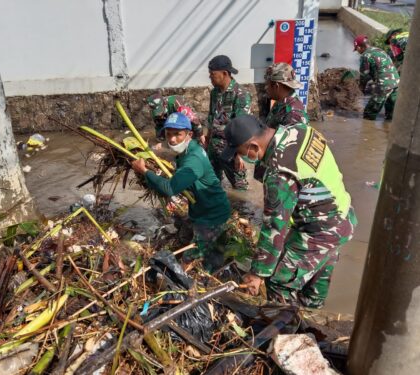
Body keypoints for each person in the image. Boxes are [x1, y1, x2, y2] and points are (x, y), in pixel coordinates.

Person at [221, 115, 357, 308]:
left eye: (240, 152)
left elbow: (274, 226)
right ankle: (314, 317)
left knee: (278, 282)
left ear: (253, 147)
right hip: (342, 218)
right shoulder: (299, 129)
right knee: (315, 283)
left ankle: (286, 330)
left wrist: (258, 273)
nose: (240, 157)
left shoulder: (279, 173)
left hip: (320, 231)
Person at [131, 112, 231, 271]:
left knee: (193, 257)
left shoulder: (193, 159)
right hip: (200, 209)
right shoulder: (186, 151)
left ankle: (192, 283)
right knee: (197, 244)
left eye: (177, 134)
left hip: (212, 214)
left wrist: (144, 171)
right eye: (168, 134)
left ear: (189, 134)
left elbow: (170, 188)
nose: (172, 139)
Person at [207, 55, 252, 190]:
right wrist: (207, 139)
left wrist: (240, 154)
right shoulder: (214, 93)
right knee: (212, 184)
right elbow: (211, 116)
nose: (210, 77)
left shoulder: (241, 94)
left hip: (230, 150)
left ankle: (242, 210)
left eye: (212, 74)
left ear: (224, 73)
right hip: (213, 148)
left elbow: (243, 127)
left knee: (240, 188)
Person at [354, 34, 400, 121]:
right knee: (391, 114)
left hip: (384, 85)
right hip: (396, 82)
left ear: (359, 47)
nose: (357, 51)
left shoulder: (365, 55)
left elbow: (364, 75)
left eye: (356, 49)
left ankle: (367, 132)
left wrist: (362, 88)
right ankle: (388, 130)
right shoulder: (380, 50)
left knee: (369, 113)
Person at [264, 62, 309, 129]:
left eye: (267, 84)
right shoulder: (281, 102)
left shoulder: (293, 115)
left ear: (276, 86)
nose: (265, 88)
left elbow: (293, 138)